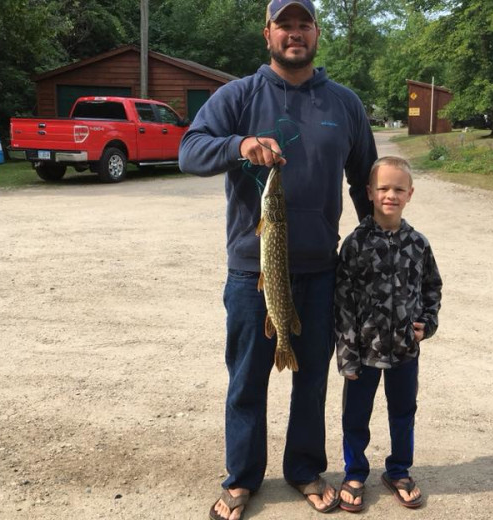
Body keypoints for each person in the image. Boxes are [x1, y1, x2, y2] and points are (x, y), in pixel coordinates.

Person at [178, 0, 378, 518]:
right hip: (252, 271)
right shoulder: (237, 96)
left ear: (316, 33)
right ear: (267, 33)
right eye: (284, 25)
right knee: (247, 380)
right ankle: (242, 478)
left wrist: (377, 240)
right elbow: (189, 150)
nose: (294, 33)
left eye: (303, 24)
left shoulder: (345, 103)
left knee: (311, 379)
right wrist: (240, 145)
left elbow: (365, 179)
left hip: (320, 270)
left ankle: (304, 469)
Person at [334, 156, 442, 512]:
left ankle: (398, 470)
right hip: (364, 351)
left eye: (398, 189)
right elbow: (343, 303)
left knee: (403, 411)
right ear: (369, 192)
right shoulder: (355, 244)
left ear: (410, 193)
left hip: (405, 351)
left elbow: (432, 287)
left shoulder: (418, 243)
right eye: (383, 188)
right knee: (356, 415)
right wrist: (346, 354)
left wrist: (428, 322)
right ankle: (354, 473)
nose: (390, 195)